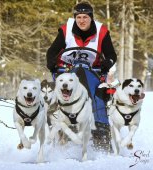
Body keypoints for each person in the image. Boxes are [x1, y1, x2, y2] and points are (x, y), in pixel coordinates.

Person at [46, 1, 117, 151]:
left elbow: (111, 55)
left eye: (85, 17)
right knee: (57, 94)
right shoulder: (66, 30)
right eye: (79, 17)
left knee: (98, 95)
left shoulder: (101, 31)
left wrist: (107, 63)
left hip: (94, 72)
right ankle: (59, 130)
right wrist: (51, 63)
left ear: (91, 18)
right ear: (75, 18)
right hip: (67, 70)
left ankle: (102, 135)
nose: (82, 20)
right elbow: (52, 52)